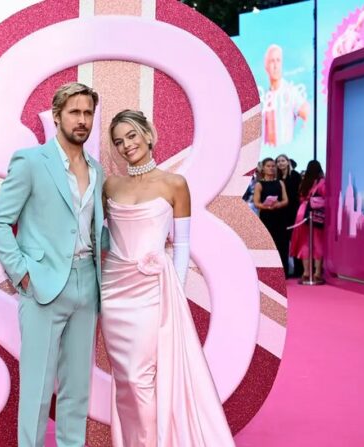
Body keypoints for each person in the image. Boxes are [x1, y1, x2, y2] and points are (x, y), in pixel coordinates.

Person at [100, 110, 234, 446]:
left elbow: (183, 244)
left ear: (147, 134)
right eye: (118, 141)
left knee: (140, 378)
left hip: (152, 292)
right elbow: (108, 237)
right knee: (126, 381)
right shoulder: (111, 184)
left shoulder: (174, 184)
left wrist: (173, 290)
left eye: (131, 135)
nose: (126, 145)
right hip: (114, 293)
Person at [0, 82, 105, 447]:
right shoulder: (30, 161)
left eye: (88, 113)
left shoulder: (97, 169)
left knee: (77, 391)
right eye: (75, 112)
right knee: (38, 391)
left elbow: (89, 228)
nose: (82, 120)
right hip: (42, 287)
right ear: (57, 116)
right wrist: (22, 273)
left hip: (88, 285)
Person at [262, 44, 310, 147]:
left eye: (278, 60)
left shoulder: (291, 91)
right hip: (268, 154)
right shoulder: (265, 97)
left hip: (287, 151)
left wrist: (301, 141)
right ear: (266, 66)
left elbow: (308, 114)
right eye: (272, 61)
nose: (275, 66)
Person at [290, 160, 326, 283]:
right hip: (315, 214)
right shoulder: (322, 182)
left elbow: (300, 196)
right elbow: (326, 195)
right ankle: (317, 273)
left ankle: (305, 273)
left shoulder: (304, 182)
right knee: (317, 243)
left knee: (304, 243)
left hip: (301, 213)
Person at [254, 157, 290, 274]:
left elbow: (285, 200)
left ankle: (283, 272)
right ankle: (268, 272)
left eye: (273, 166)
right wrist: (266, 206)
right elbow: (256, 203)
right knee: (268, 244)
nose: (271, 168)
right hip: (266, 218)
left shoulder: (280, 182)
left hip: (280, 217)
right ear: (263, 168)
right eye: (268, 166)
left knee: (282, 244)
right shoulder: (259, 184)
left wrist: (278, 204)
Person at [276, 154, 302, 277]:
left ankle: (299, 270)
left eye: (282, 160)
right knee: (282, 243)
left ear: (287, 162)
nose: (280, 163)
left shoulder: (295, 176)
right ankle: (284, 270)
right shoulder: (276, 177)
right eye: (278, 161)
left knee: (296, 241)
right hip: (280, 212)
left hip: (293, 211)